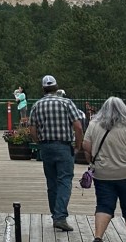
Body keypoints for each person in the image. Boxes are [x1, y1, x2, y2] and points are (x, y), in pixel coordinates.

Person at [83, 96, 126, 242]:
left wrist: (91, 161)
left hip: (103, 173)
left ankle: (98, 236)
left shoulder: (94, 125)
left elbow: (86, 147)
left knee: (104, 205)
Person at [28, 74, 84, 232]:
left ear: (43, 88)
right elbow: (78, 126)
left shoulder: (37, 105)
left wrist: (38, 142)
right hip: (64, 146)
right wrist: (78, 145)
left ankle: (55, 214)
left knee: (51, 182)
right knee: (65, 180)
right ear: (56, 87)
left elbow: (32, 128)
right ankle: (60, 217)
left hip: (46, 146)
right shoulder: (67, 103)